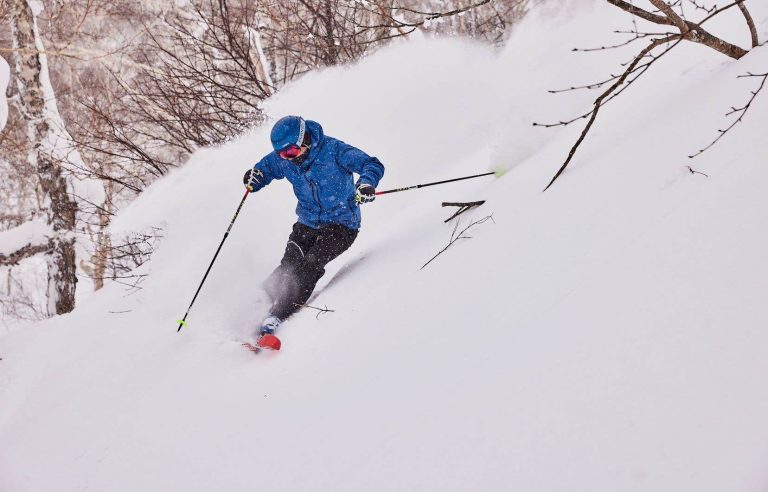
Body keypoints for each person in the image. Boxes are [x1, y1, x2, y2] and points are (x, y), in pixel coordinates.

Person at [243, 115, 385, 344]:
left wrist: (366, 183)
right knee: (289, 263)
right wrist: (255, 177)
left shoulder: (334, 150)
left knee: (309, 264)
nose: (286, 159)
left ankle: (276, 316)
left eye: (289, 152)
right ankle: (259, 299)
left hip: (341, 225)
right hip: (307, 222)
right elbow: (266, 168)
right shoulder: (286, 159)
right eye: (281, 154)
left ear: (304, 140)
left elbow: (371, 164)